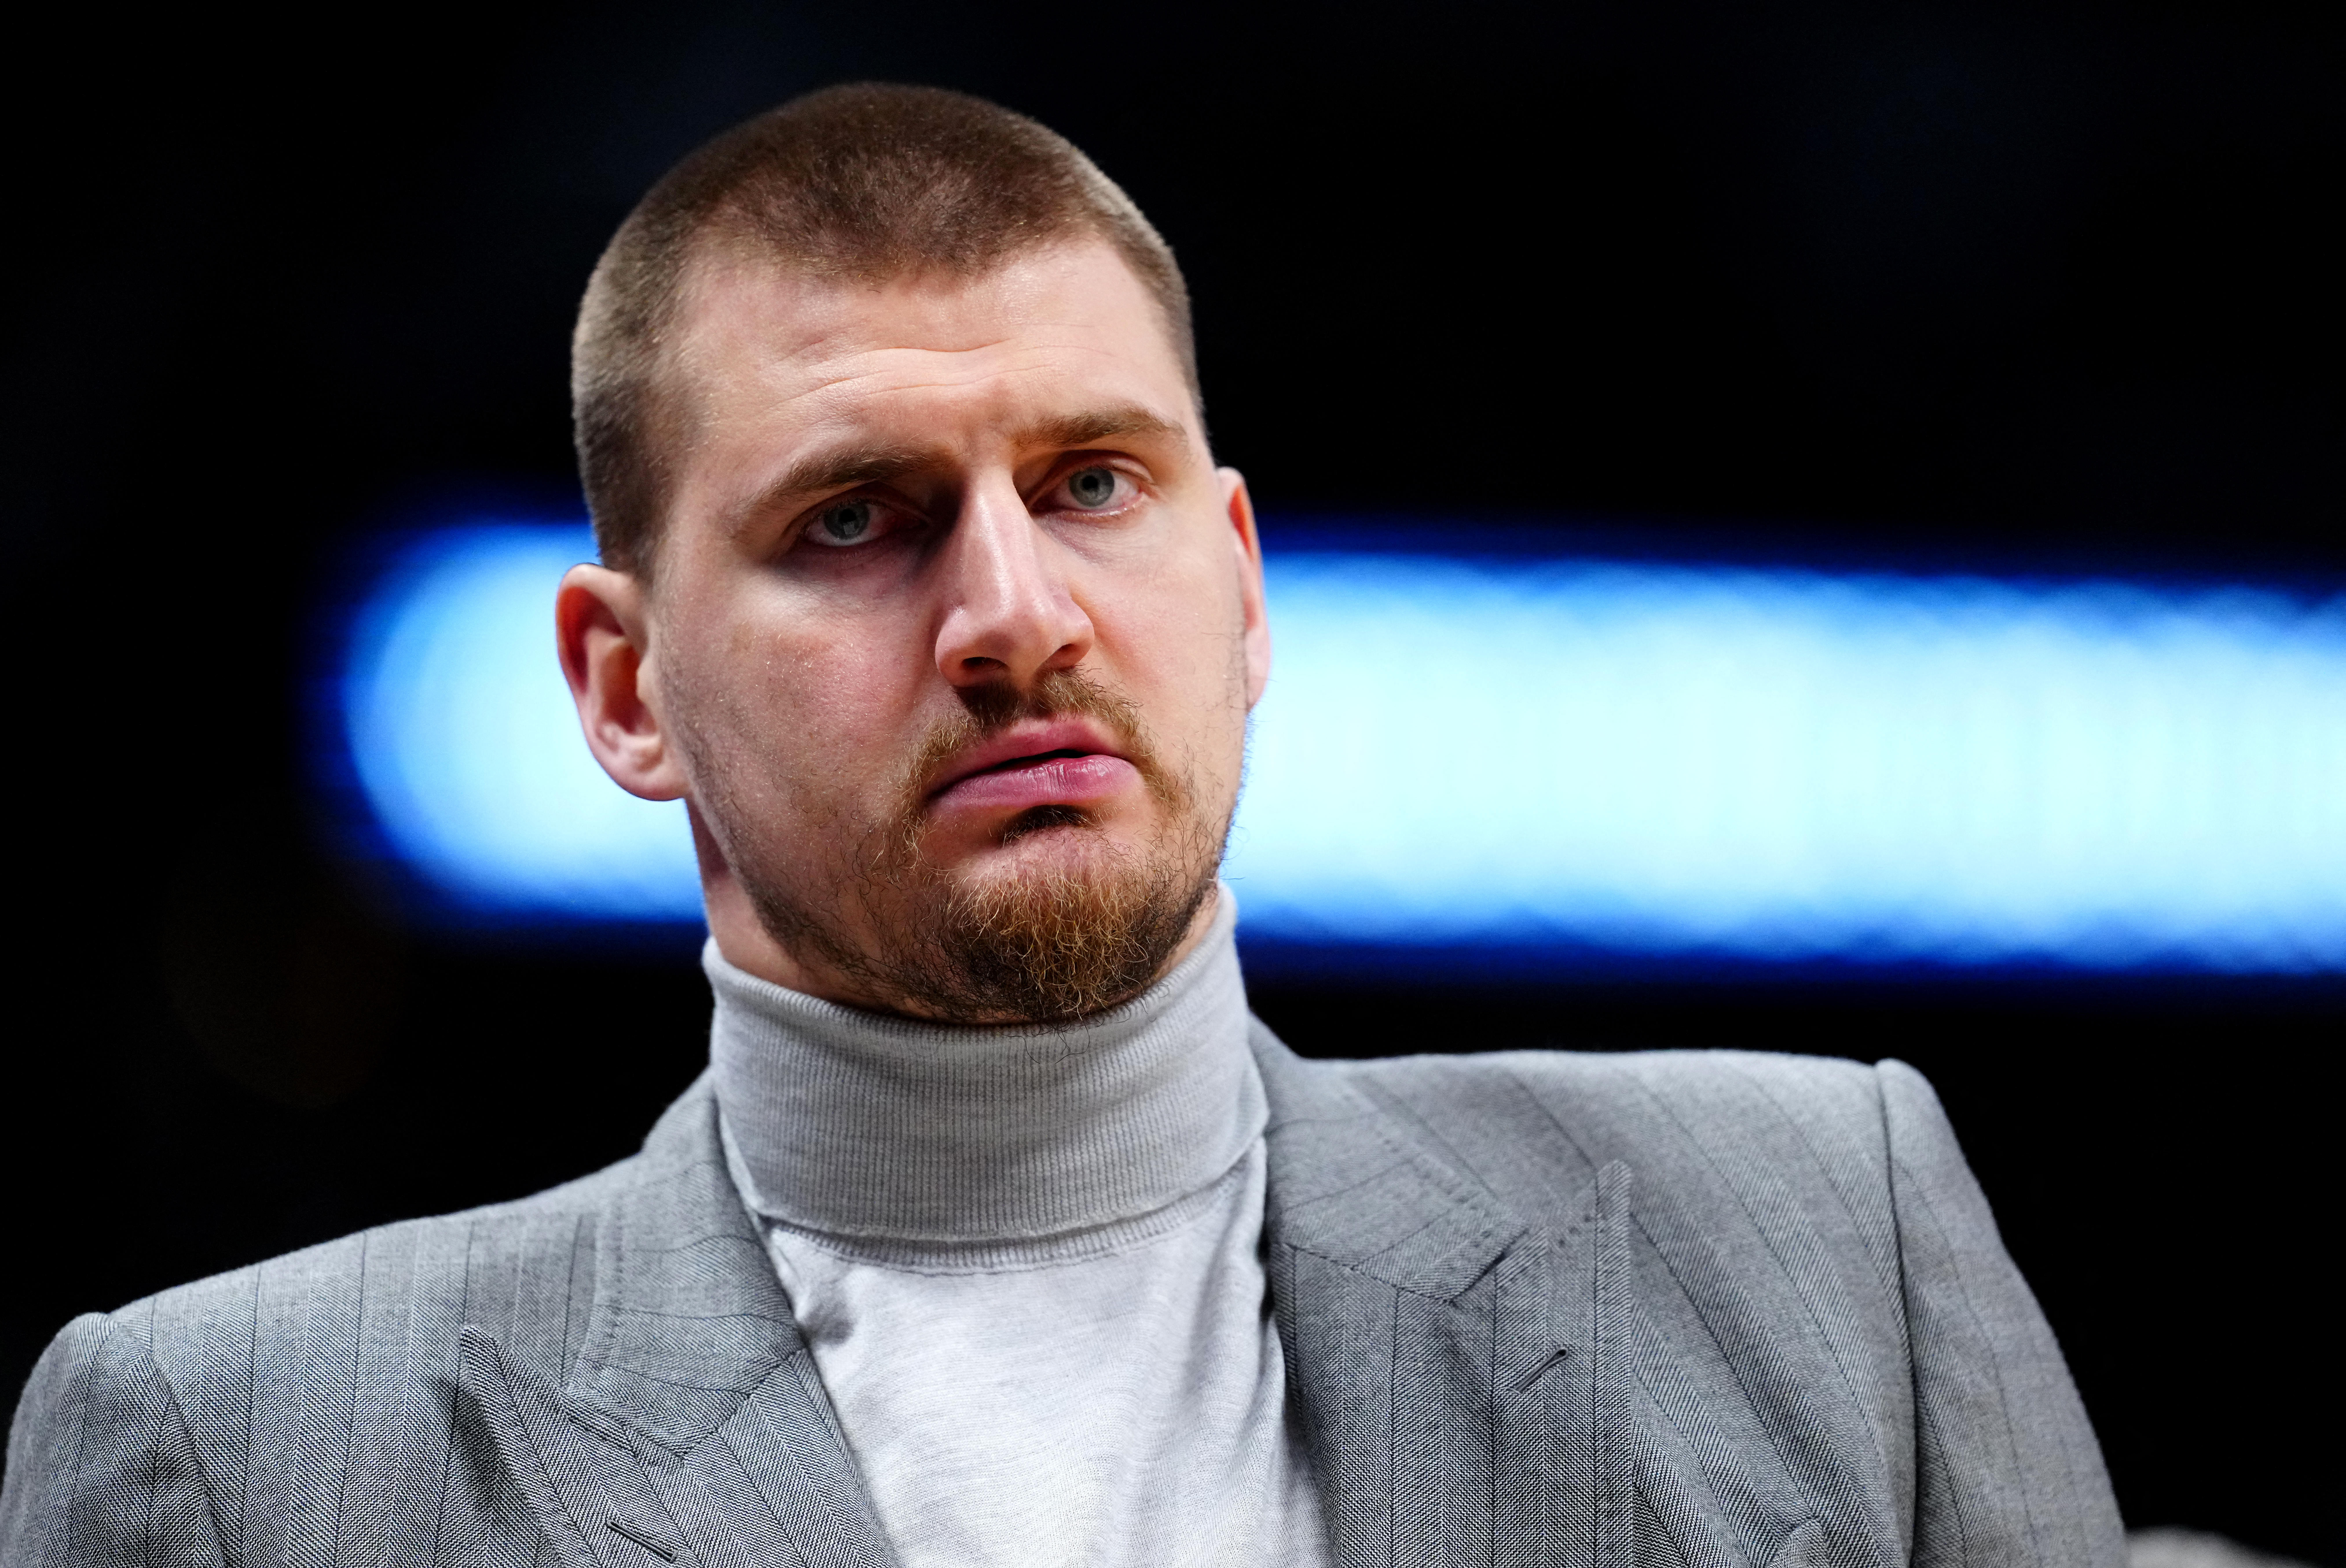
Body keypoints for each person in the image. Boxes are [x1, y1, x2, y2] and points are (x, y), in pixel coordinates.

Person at [1, 84, 2123, 1568]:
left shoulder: (1827, 1236)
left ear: (1243, 580)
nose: (1016, 615)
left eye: (1091, 483)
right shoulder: (246, 1448)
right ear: (625, 688)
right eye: (859, 519)